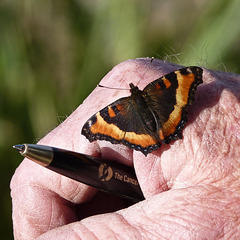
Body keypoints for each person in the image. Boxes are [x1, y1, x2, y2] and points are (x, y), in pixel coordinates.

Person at [11, 58, 240, 239]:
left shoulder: (117, 110)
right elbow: (183, 79)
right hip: (168, 117)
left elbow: (188, 78)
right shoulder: (159, 88)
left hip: (139, 133)